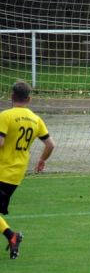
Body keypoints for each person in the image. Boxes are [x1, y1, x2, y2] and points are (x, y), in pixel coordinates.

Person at [0, 81, 56, 260]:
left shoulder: (5, 116)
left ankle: (12, 236)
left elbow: (0, 142)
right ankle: (11, 236)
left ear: (11, 97)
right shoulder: (35, 119)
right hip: (16, 174)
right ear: (29, 99)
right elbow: (50, 144)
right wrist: (41, 160)